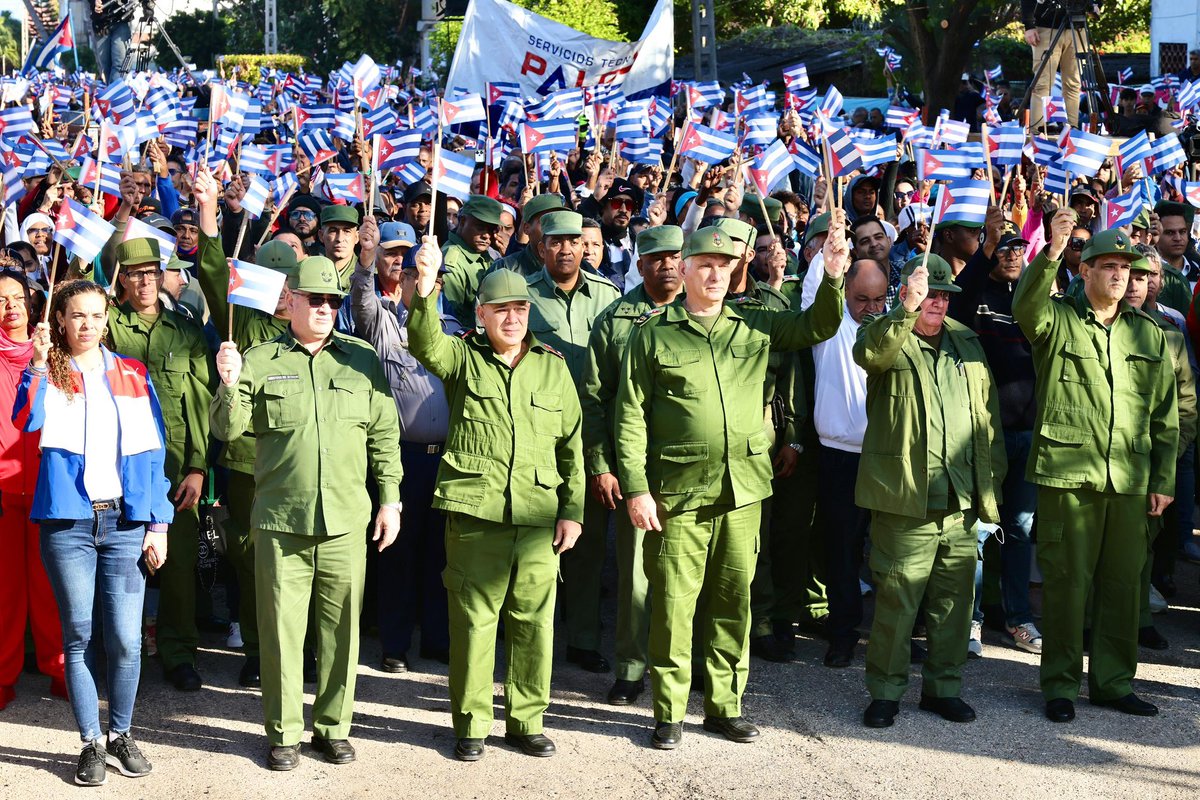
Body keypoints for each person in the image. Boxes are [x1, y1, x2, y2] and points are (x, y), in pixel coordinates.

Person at [615, 221, 845, 750]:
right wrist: (636, 487)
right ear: (686, 268)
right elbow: (629, 417)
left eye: (725, 265)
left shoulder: (755, 326)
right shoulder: (652, 335)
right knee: (674, 605)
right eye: (705, 265)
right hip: (677, 493)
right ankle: (669, 711)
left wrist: (832, 274)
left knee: (732, 603)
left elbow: (818, 325)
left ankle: (724, 706)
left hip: (741, 491)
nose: (715, 273)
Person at [210, 256, 404, 771]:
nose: (324, 308)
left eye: (332, 301)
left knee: (342, 632)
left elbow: (384, 434)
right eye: (314, 299)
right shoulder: (258, 357)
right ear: (290, 300)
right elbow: (227, 432)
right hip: (280, 520)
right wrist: (228, 382)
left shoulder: (361, 360)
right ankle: (283, 732)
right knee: (280, 631)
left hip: (345, 519)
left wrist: (390, 499)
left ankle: (333, 727)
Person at [408, 247, 585, 763]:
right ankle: (471, 723)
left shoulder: (553, 369)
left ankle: (526, 720)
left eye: (521, 309)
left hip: (536, 517)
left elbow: (573, 445)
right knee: (474, 623)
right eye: (500, 309)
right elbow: (426, 343)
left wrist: (572, 511)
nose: (512, 318)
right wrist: (424, 285)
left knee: (534, 624)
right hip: (475, 514)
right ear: (480, 315)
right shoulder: (462, 358)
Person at [1013, 212, 1178, 723]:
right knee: (1066, 585)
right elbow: (1026, 308)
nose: (1118, 276)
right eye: (1107, 266)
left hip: (1130, 479)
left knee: (1123, 585)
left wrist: (1164, 480)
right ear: (1083, 271)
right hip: (1069, 474)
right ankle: (1060, 685)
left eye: (1126, 269)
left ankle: (1112, 682)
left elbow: (1165, 416)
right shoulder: (1059, 318)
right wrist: (1052, 250)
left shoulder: (1148, 335)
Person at [18, 279, 173, 785]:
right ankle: (90, 741)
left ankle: (122, 733)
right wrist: (39, 363)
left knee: (128, 642)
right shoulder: (49, 372)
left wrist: (159, 521)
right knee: (79, 637)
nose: (88, 323)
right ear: (60, 321)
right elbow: (26, 420)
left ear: (108, 318)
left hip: (126, 524)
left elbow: (154, 454)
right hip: (69, 526)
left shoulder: (131, 372)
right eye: (77, 315)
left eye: (97, 314)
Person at [855, 253, 1007, 728]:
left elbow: (987, 416)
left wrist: (992, 483)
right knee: (897, 605)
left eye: (943, 295)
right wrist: (905, 309)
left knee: (954, 607)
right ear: (910, 292)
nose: (937, 303)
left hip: (960, 500)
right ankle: (885, 692)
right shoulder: (887, 334)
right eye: (929, 294)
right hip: (904, 500)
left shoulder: (966, 342)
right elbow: (870, 355)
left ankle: (943, 689)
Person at [193, 168, 297, 688]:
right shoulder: (244, 320)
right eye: (273, 284)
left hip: (297, 462)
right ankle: (256, 650)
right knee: (252, 559)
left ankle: (297, 651)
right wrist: (210, 209)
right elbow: (213, 270)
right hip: (246, 462)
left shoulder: (315, 324)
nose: (283, 295)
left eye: (291, 285)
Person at [106, 238, 214, 692]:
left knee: (179, 570)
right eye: (136, 274)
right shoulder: (108, 325)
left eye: (153, 272)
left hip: (173, 469)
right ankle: (117, 657)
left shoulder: (186, 331)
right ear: (124, 279)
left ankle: (178, 654)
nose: (146, 281)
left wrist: (198, 468)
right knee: (118, 565)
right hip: (117, 465)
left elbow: (200, 402)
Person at [582, 225, 684, 704]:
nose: (666, 264)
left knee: (692, 576)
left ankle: (693, 665)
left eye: (674, 256)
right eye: (655, 257)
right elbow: (596, 399)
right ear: (639, 265)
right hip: (636, 467)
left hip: (692, 467)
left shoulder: (707, 311)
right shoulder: (614, 320)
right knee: (637, 576)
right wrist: (602, 464)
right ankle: (630, 667)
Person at [353, 218, 459, 671]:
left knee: (441, 555)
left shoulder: (454, 325)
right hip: (401, 459)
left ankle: (436, 637)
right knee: (396, 554)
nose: (417, 279)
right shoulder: (384, 321)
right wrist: (363, 261)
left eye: (423, 273)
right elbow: (360, 302)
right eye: (410, 272)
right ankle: (394, 644)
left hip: (448, 458)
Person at [524, 211, 619, 672]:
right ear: (541, 248)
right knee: (531, 536)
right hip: (538, 433)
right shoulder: (520, 295)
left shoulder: (608, 297)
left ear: (586, 248)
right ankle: (524, 634)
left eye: (574, 242)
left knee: (588, 541)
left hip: (594, 433)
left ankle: (582, 638)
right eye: (556, 242)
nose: (565, 249)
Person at [948, 214, 1043, 656]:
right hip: (987, 435)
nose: (1011, 254)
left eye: (1017, 247)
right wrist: (985, 249)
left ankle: (1018, 618)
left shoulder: (1036, 298)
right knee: (982, 528)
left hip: (1031, 433)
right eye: (1002, 247)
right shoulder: (977, 294)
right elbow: (959, 303)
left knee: (1021, 530)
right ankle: (970, 621)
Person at [1120, 251, 1196, 652]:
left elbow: (1186, 405)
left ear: (1157, 282)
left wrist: (1167, 458)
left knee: (1144, 548)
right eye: (1128, 274)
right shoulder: (1096, 326)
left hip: (1153, 462)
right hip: (1111, 459)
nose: (1135, 283)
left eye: (1144, 276)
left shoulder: (1171, 335)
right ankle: (1093, 621)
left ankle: (1139, 619)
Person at [814, 257, 888, 668]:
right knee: (841, 550)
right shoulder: (829, 325)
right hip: (838, 456)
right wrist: (833, 255)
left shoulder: (897, 326)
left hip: (887, 458)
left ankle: (893, 634)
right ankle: (842, 634)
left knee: (890, 552)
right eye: (862, 299)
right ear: (844, 293)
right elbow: (816, 288)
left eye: (879, 299)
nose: (871, 308)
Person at [0, 267, 62, 710]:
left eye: (17, 297)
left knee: (50, 585)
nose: (10, 307)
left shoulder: (51, 354)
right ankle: (3, 674)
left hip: (45, 485)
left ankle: (59, 668)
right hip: (2, 489)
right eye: (1, 299)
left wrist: (42, 359)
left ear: (31, 301)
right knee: (5, 588)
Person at [441, 195, 504, 327]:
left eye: (492, 229)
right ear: (463, 221)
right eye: (480, 227)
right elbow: (450, 319)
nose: (486, 235)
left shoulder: (489, 254)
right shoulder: (452, 261)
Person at [1022, 0, 1085, 128]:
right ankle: (1037, 131)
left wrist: (1097, 5)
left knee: (1073, 83)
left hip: (1077, 26)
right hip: (1046, 27)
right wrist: (1029, 25)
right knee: (1042, 83)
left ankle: (1071, 129)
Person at [490, 194, 566, 276]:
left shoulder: (573, 264)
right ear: (526, 228)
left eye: (558, 220)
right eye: (545, 221)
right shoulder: (505, 268)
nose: (554, 227)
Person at [92, 0, 141, 83]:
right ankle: (112, 90)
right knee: (106, 66)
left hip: (122, 19)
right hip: (101, 23)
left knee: (119, 63)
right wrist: (94, 2)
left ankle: (114, 92)